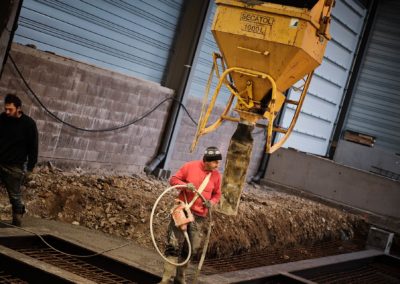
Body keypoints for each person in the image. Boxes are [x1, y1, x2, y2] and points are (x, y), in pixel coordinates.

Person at [159, 146, 222, 284]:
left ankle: (180, 277)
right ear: (207, 161)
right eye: (215, 162)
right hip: (182, 210)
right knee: (173, 244)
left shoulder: (216, 175)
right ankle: (165, 279)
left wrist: (212, 202)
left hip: (199, 217)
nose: (218, 165)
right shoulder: (190, 166)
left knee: (191, 248)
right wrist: (184, 185)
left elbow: (217, 194)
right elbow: (174, 180)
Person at [0, 94, 38, 226]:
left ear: (19, 108)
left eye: (10, 109)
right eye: (6, 109)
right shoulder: (2, 118)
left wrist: (30, 168)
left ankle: (17, 222)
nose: (7, 112)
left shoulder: (28, 124)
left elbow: (33, 147)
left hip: (14, 166)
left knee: (15, 196)